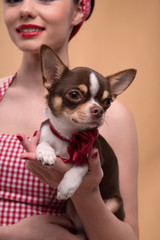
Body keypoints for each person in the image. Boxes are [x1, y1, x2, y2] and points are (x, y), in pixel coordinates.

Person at [0, 0, 139, 239]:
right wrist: (9, 234)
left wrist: (86, 194)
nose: (25, 9)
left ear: (78, 11)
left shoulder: (111, 117)